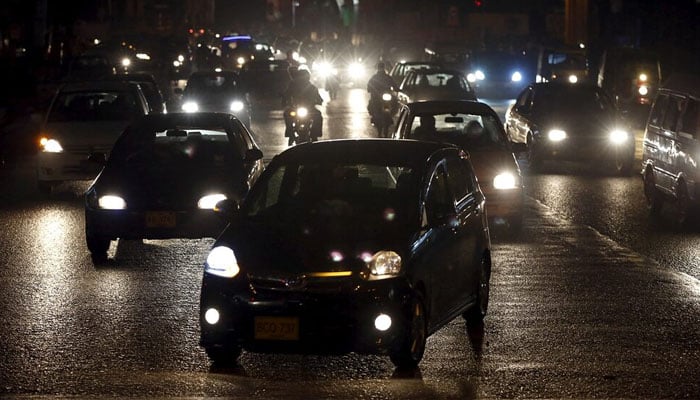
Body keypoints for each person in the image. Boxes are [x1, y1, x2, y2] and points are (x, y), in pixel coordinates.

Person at [282, 68, 323, 144]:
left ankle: (314, 134)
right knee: (287, 114)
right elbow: (286, 95)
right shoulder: (292, 86)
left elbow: (319, 98)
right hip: (295, 108)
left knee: (318, 115)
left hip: (309, 109)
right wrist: (285, 102)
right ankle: (290, 133)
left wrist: (319, 101)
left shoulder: (312, 87)